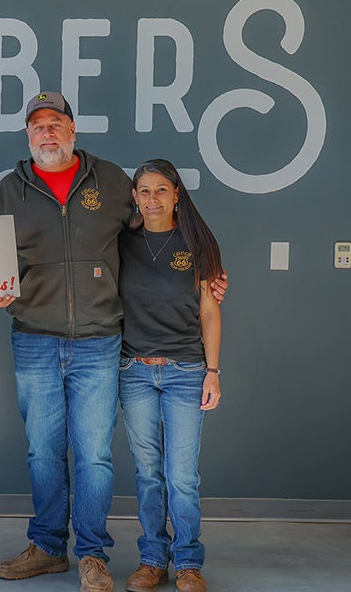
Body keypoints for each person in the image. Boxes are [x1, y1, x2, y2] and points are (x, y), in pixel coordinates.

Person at [0, 93, 226, 592]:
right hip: (34, 337)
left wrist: (206, 272)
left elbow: (156, 237)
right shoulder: (8, 191)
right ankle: (49, 548)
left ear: (73, 130)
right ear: (27, 136)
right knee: (42, 452)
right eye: (37, 126)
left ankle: (91, 554)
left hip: (99, 341)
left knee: (93, 453)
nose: (46, 132)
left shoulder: (113, 181)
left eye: (55, 123)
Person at [118, 159, 222, 592]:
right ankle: (152, 559)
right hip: (134, 371)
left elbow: (210, 311)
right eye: (143, 190)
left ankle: (188, 563)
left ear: (177, 193)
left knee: (182, 475)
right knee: (148, 473)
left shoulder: (197, 242)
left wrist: (213, 372)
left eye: (161, 190)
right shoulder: (122, 242)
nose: (152, 198)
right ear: (135, 197)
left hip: (185, 371)